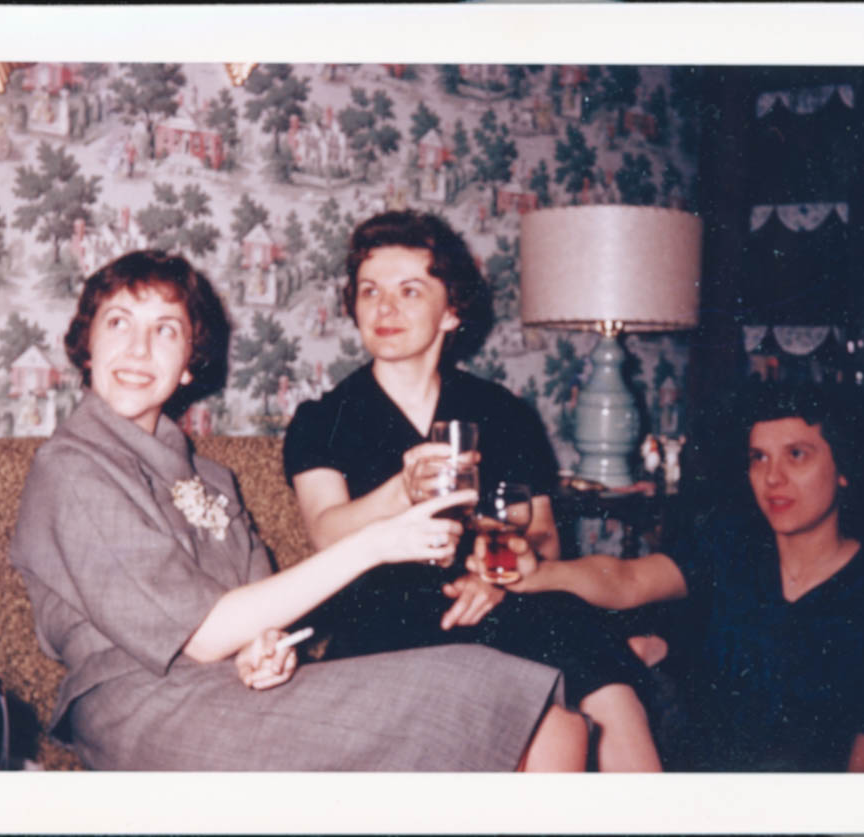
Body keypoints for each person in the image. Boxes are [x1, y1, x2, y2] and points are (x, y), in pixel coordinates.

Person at [9, 250, 588, 771]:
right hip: (142, 708)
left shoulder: (212, 479)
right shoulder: (72, 468)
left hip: (233, 693)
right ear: (86, 345)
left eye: (166, 330)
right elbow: (203, 635)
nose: (139, 349)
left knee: (548, 716)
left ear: (188, 362)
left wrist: (263, 652)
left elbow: (259, 619)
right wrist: (375, 543)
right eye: (118, 323)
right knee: (513, 710)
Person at [283, 210, 661, 771]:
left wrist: (496, 577)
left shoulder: (501, 412)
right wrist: (401, 491)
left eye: (409, 290)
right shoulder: (324, 419)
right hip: (382, 617)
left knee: (581, 642)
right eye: (370, 291)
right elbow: (325, 532)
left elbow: (542, 537)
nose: (385, 308)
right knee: (564, 646)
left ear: (451, 311)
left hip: (498, 603)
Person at [479, 381, 864, 772]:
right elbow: (627, 580)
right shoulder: (732, 546)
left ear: (843, 469)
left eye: (796, 455)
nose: (773, 477)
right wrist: (540, 573)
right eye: (759, 458)